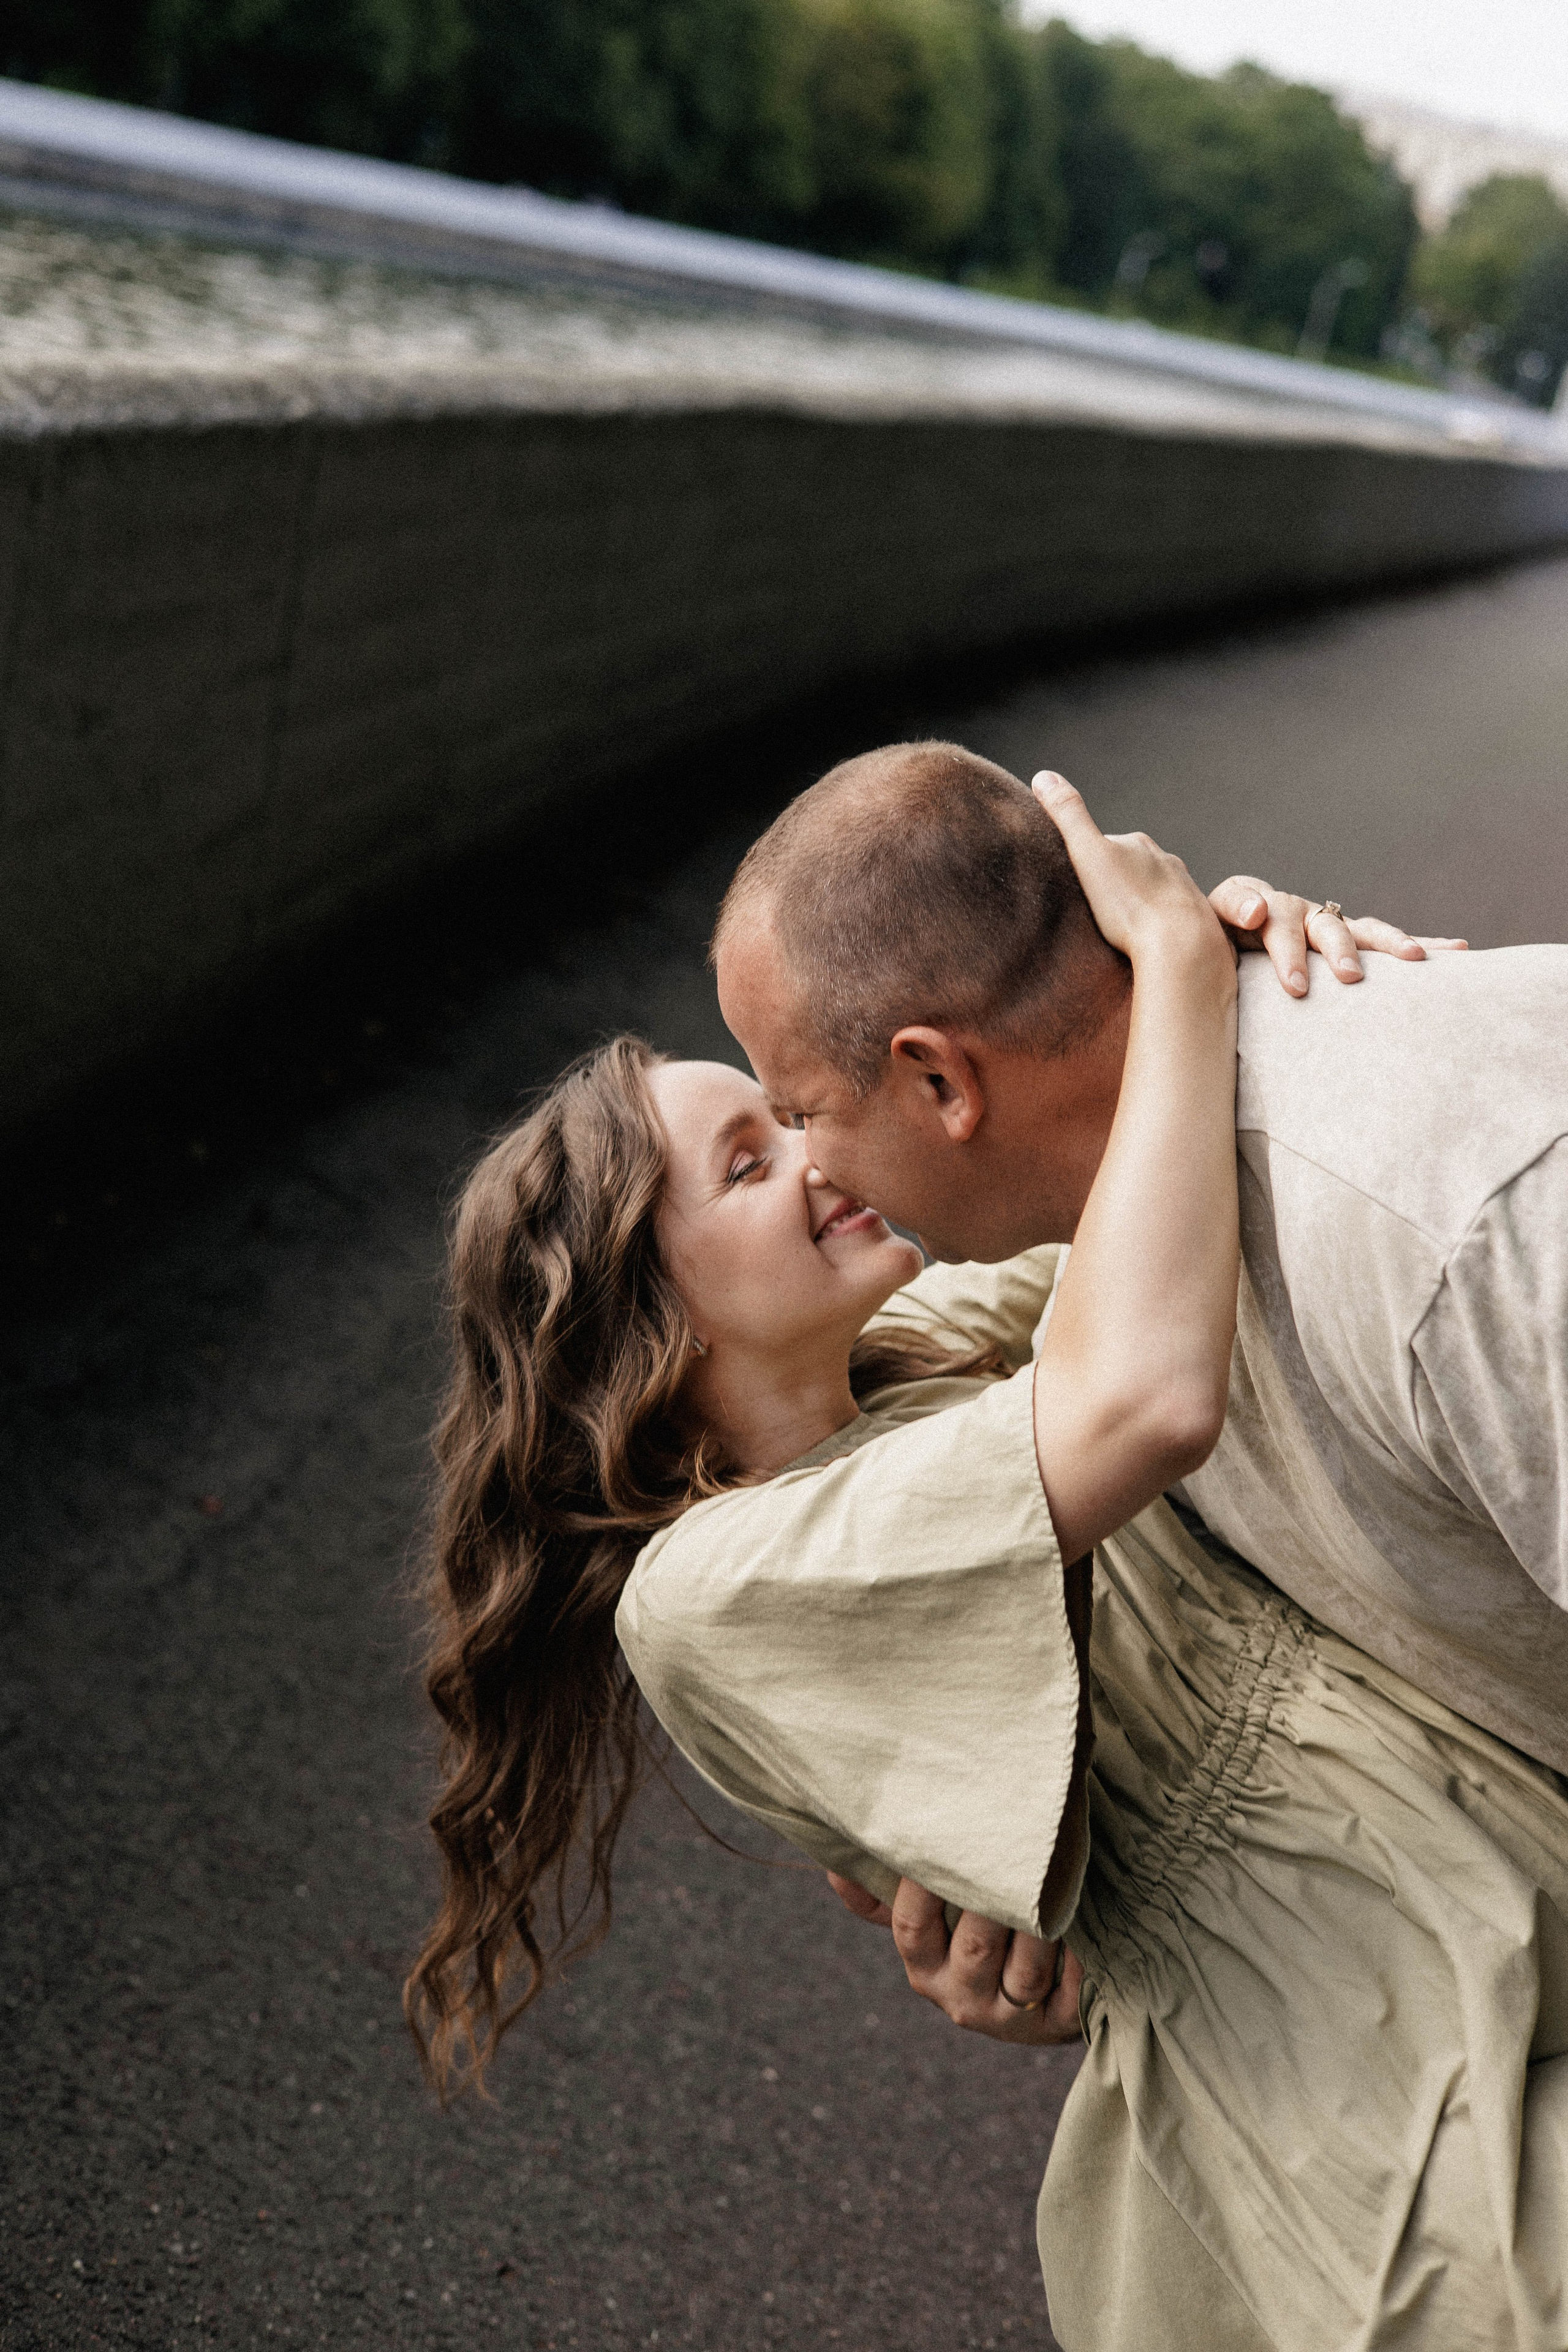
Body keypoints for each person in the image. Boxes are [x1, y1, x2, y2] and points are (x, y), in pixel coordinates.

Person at [405, 799, 1567, 2350]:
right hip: (1338, 2041)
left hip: (1478, 1863)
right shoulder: (709, 1594)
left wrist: (1176, 971)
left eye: (794, 1113)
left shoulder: (926, 1359)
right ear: (653, 1325)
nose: (821, 1151)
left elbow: (1085, 1153)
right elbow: (1139, 1392)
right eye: (754, 1158)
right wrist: (1172, 971)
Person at [714, 742, 1568, 1776]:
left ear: (938, 1079)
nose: (816, 1166)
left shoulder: (1451, 1218)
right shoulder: (1121, 1266)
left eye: (804, 1112)